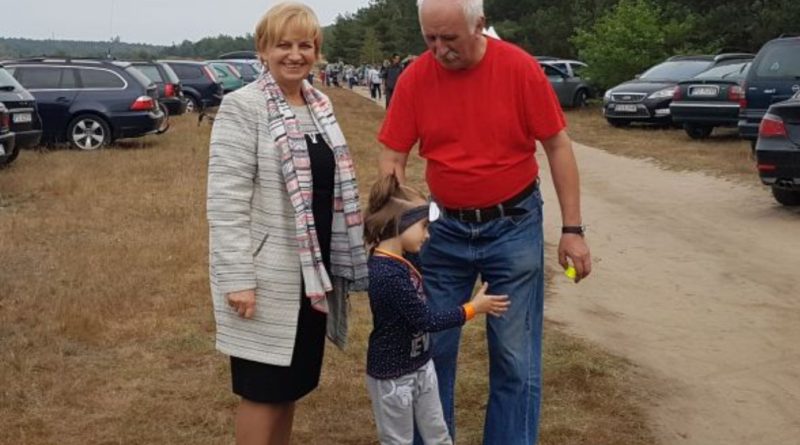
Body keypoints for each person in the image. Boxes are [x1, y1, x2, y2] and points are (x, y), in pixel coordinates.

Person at [377, 0, 592, 443]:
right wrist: (392, 230)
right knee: (430, 349)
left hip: (513, 225)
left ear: (480, 25)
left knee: (515, 357)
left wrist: (572, 230)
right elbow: (393, 155)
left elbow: (557, 146)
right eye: (430, 39)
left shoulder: (519, 69)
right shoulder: (416, 77)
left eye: (449, 38)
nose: (439, 49)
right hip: (443, 231)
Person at [206, 2, 368, 444]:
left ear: (316, 51)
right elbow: (225, 203)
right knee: (263, 389)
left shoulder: (319, 105)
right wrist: (238, 279)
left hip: (313, 272)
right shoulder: (244, 106)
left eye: (305, 45)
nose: (295, 55)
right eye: (283, 45)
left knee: (291, 385)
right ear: (262, 50)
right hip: (266, 275)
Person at [363, 174, 510, 445]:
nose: (428, 235)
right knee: (398, 441)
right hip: (393, 377)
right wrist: (472, 308)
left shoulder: (404, 259)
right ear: (400, 224)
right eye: (423, 226)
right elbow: (426, 320)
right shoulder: (386, 274)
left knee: (438, 435)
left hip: (421, 364)